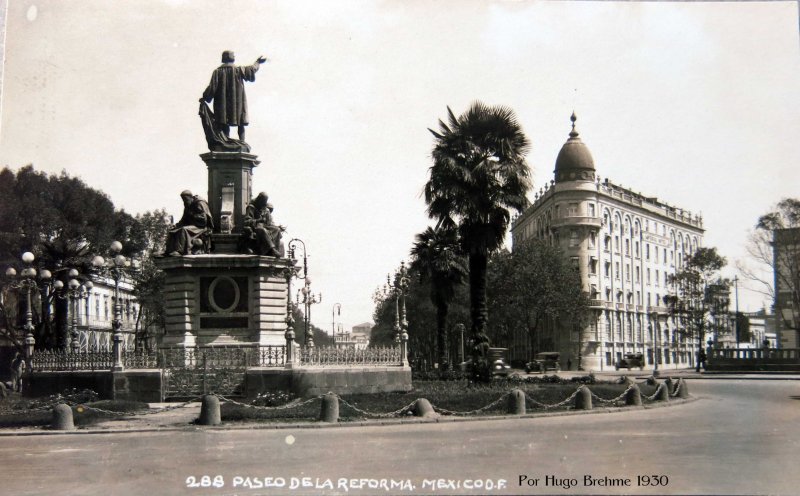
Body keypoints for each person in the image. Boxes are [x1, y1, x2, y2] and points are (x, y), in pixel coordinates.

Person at [201, 51, 267, 143]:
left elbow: (212, 87)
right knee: (241, 122)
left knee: (224, 122)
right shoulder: (239, 70)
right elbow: (252, 69)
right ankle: (242, 141)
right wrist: (258, 62)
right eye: (233, 55)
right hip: (237, 103)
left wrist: (205, 97)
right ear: (230, 57)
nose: (235, 56)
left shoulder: (217, 72)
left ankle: (225, 141)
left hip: (222, 104)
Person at [165, 190, 214, 256]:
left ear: (191, 197)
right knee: (173, 231)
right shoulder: (187, 205)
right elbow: (183, 219)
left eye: (185, 199)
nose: (184, 201)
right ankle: (168, 252)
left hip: (202, 227)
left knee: (183, 230)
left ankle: (179, 251)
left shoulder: (199, 203)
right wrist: (176, 226)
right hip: (193, 226)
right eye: (183, 200)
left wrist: (192, 215)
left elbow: (204, 219)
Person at [241, 192, 285, 257]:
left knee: (277, 229)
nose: (263, 204)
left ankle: (275, 250)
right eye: (262, 201)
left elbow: (269, 223)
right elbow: (247, 221)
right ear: (259, 200)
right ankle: (272, 250)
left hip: (264, 227)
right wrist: (258, 220)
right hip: (255, 228)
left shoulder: (265, 209)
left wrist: (277, 226)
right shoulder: (251, 207)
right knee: (262, 230)